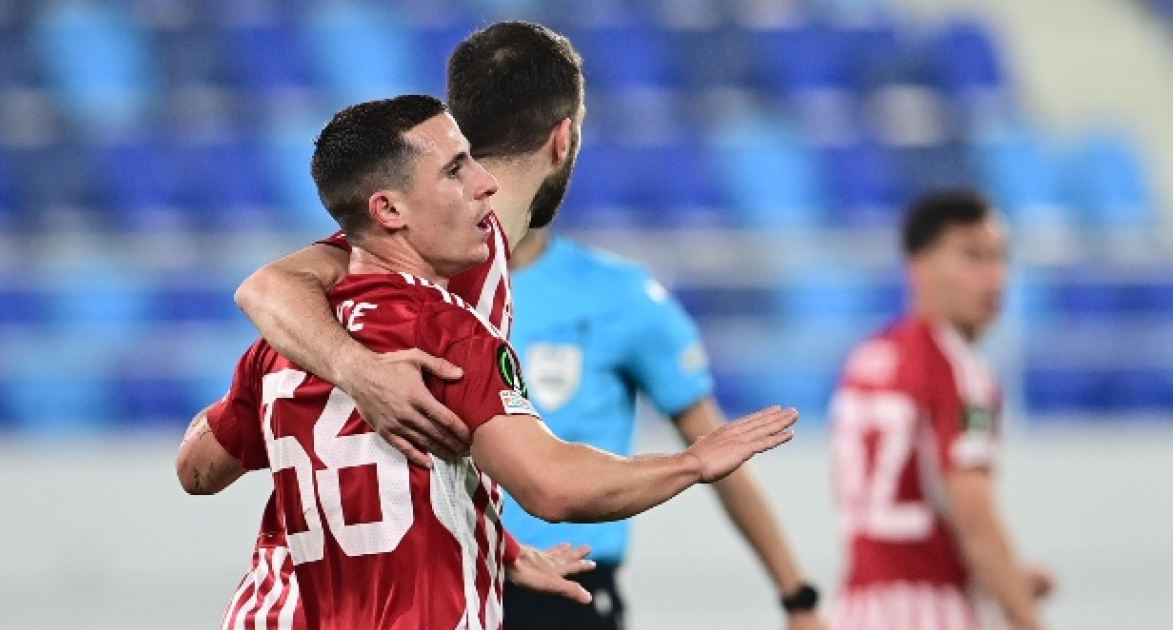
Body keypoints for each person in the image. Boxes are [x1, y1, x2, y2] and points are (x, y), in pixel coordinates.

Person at [228, 21, 829, 630]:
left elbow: (207, 457)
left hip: (402, 580)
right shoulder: (434, 256)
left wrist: (506, 548)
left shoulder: (413, 253)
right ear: (563, 139)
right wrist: (360, 372)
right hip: (400, 592)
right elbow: (263, 287)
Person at [502, 227, 829, 630]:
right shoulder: (437, 293)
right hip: (447, 575)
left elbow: (717, 455)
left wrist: (796, 596)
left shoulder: (617, 293)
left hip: (566, 591)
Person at [827, 191, 1054, 630]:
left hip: (855, 611)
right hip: (934, 613)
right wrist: (1027, 618)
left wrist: (1004, 577)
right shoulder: (959, 370)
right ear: (920, 267)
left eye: (1000, 258)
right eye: (973, 257)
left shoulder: (866, 358)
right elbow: (976, 522)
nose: (995, 277)